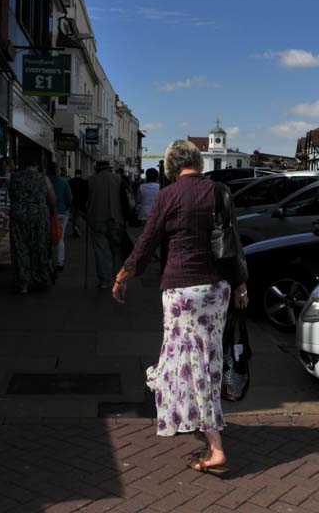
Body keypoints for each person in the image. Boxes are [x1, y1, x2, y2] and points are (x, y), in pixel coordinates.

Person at [112, 140, 249, 475]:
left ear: (171, 167)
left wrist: (123, 274)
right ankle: (189, 416)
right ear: (198, 163)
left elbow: (146, 243)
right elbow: (232, 242)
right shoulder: (219, 192)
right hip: (216, 289)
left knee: (186, 361)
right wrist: (241, 283)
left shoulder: (168, 196)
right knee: (205, 359)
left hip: (180, 290)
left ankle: (215, 446)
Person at [8, 156, 57, 294]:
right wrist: (53, 211)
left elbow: (10, 196)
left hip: (18, 216)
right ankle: (40, 278)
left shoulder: (14, 178)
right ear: (36, 166)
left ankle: (23, 284)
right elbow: (52, 197)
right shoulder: (43, 178)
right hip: (39, 217)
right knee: (39, 246)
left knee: (20, 247)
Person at [87, 160, 125, 289]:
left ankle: (104, 281)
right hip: (116, 219)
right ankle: (119, 280)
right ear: (109, 168)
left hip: (96, 219)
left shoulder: (90, 180)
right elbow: (124, 199)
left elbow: (85, 199)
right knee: (117, 251)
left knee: (101, 251)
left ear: (97, 169)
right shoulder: (118, 179)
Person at [47, 162, 73, 272]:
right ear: (57, 170)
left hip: (48, 212)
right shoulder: (63, 181)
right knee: (60, 238)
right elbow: (69, 198)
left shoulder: (45, 180)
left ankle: (47, 260)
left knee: (47, 238)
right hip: (61, 213)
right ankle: (60, 262)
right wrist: (65, 208)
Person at [69, 169, 89, 237]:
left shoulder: (70, 181)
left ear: (75, 173)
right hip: (81, 203)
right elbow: (87, 193)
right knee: (78, 216)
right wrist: (85, 201)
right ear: (81, 174)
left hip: (73, 202)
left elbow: (69, 192)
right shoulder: (84, 182)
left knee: (73, 217)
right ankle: (77, 228)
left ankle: (74, 230)